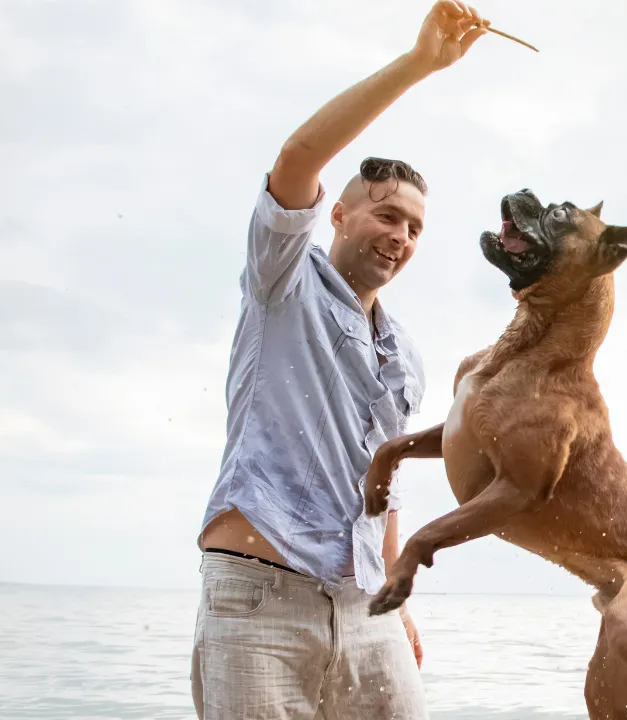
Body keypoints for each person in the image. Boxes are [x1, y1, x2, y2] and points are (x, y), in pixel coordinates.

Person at [188, 3, 490, 718]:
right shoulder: (281, 281)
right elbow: (296, 158)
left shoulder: (404, 352)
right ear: (341, 216)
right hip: (259, 601)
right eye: (387, 214)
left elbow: (377, 480)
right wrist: (422, 64)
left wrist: (395, 596)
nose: (401, 235)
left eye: (415, 227)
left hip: (366, 607)